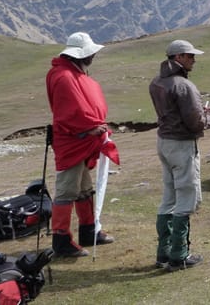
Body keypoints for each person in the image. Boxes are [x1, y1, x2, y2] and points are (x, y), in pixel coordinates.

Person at [149, 40, 210, 271]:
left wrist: (203, 111)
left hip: (164, 142)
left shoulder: (157, 82)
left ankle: (163, 254)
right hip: (181, 145)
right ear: (179, 57)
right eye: (190, 56)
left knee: (168, 196)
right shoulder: (184, 86)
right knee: (186, 196)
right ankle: (179, 254)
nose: (194, 59)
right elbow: (195, 123)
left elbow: (174, 112)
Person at [46, 32, 120, 258]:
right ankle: (61, 241)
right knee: (67, 191)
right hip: (73, 142)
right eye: (90, 53)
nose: (93, 56)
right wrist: (89, 128)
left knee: (84, 189)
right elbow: (69, 113)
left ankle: (89, 231)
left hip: (81, 140)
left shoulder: (68, 73)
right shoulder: (64, 77)